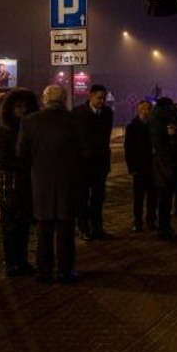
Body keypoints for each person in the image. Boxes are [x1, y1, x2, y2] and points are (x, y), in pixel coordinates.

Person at [16, 84, 85, 283]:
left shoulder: (29, 121)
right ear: (64, 100)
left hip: (42, 185)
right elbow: (86, 150)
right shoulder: (75, 120)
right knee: (66, 230)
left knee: (44, 231)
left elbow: (21, 152)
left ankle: (44, 271)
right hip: (68, 184)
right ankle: (65, 270)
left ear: (44, 100)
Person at [0, 88, 39, 276]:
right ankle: (11, 263)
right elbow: (4, 161)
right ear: (10, 109)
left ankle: (21, 261)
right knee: (11, 226)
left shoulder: (29, 129)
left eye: (25, 106)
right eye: (18, 106)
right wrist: (26, 163)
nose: (23, 110)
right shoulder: (4, 132)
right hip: (11, 186)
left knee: (24, 225)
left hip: (27, 185)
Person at [73, 84, 115, 240]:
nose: (102, 101)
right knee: (82, 198)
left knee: (98, 198)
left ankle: (98, 228)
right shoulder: (78, 113)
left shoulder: (107, 113)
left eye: (103, 98)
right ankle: (83, 228)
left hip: (100, 163)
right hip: (83, 164)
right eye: (99, 98)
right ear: (90, 96)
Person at [150, 97, 177, 239]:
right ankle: (164, 230)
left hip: (163, 165)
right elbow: (167, 145)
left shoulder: (156, 119)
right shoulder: (162, 122)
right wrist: (175, 135)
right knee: (165, 199)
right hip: (166, 166)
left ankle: (164, 228)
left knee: (164, 199)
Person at [124, 100, 156, 232]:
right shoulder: (132, 126)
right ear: (139, 110)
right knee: (138, 197)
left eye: (147, 109)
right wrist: (131, 167)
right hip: (139, 167)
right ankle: (137, 222)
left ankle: (151, 221)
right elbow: (128, 148)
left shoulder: (152, 125)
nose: (145, 111)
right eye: (142, 109)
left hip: (152, 167)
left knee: (152, 197)